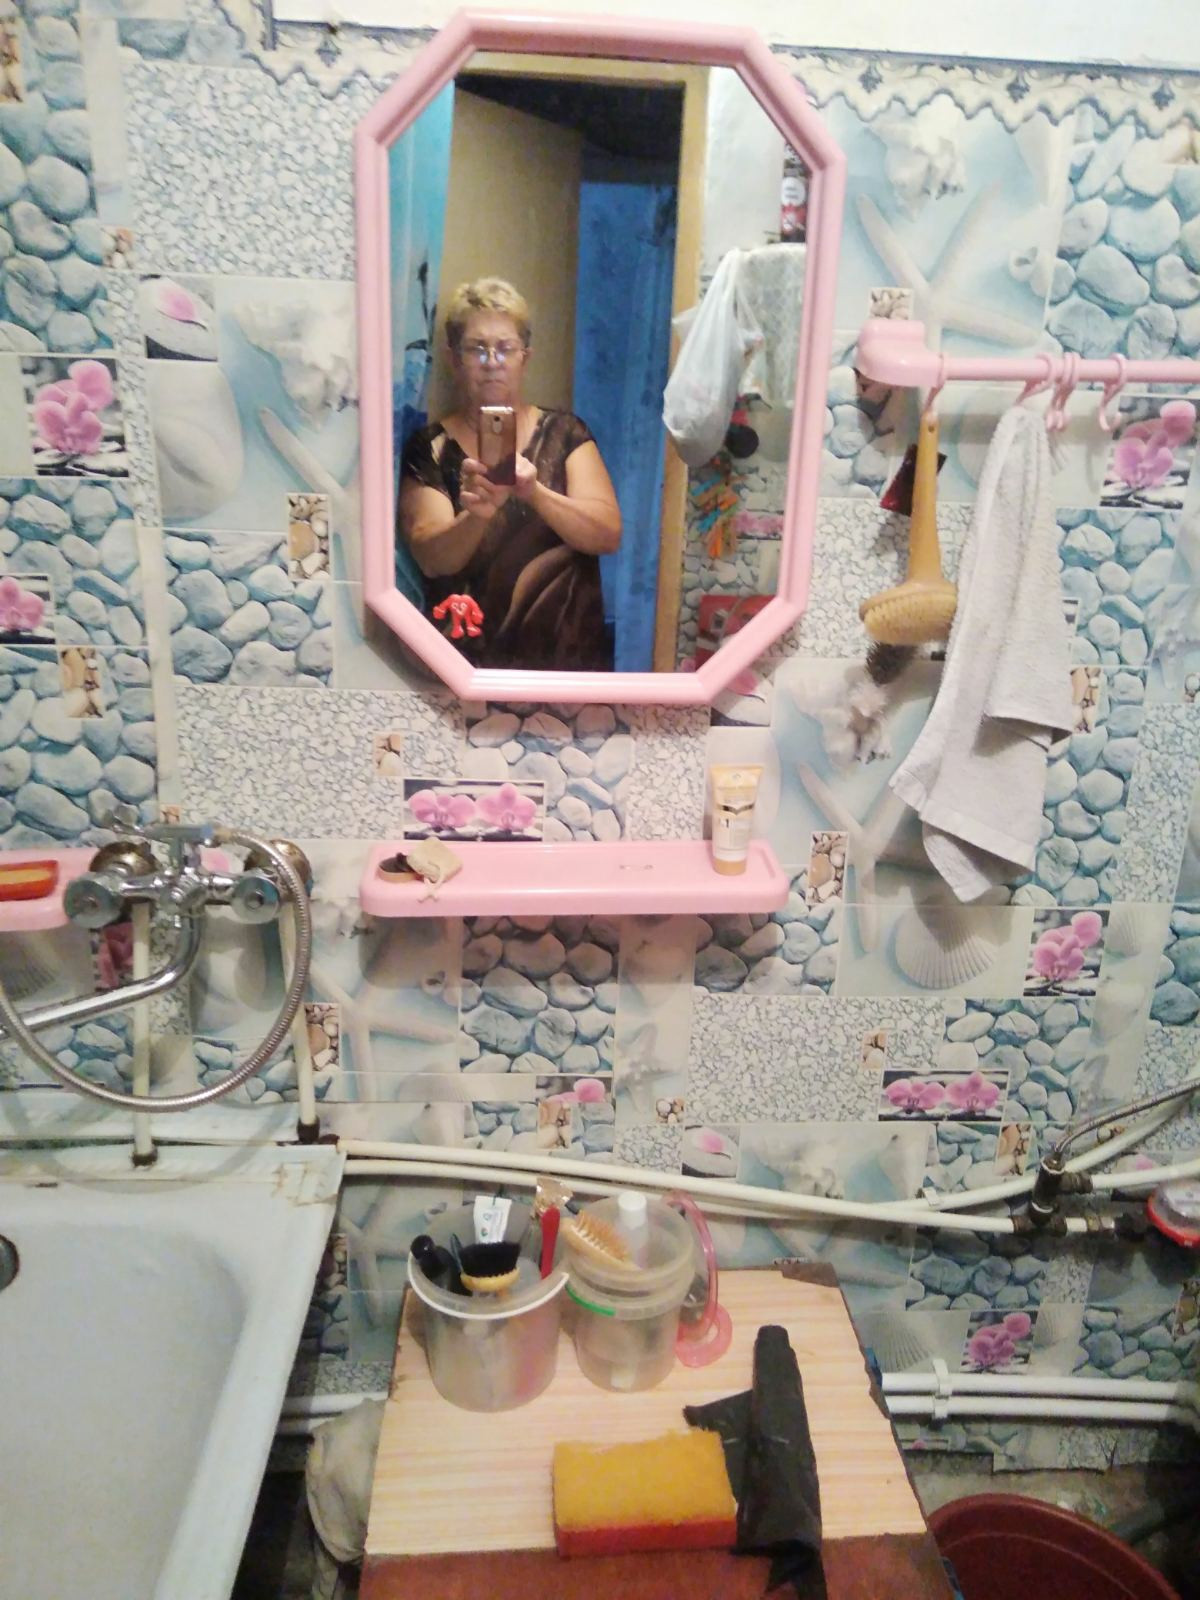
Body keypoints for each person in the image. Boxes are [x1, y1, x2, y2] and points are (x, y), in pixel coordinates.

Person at [399, 277, 622, 671]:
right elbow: (432, 558)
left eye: (505, 348)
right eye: (476, 348)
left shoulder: (566, 434)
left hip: (568, 665)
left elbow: (607, 534)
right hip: (465, 671)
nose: (492, 362)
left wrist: (536, 493)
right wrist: (478, 514)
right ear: (454, 358)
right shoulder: (430, 447)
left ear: (525, 357)